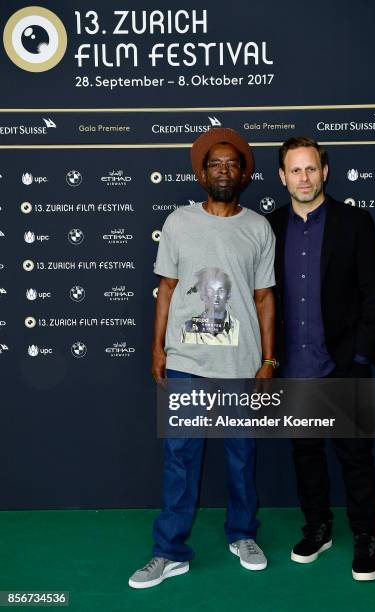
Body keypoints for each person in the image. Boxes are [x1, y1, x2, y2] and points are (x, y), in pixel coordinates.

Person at [129, 127, 277, 589]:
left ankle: (242, 535)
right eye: (216, 164)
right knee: (180, 456)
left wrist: (269, 360)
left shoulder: (258, 227)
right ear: (202, 173)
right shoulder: (178, 222)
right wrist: (157, 347)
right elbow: (167, 289)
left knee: (240, 455)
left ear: (244, 174)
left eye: (233, 164)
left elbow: (264, 297)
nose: (224, 171)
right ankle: (170, 550)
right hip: (187, 363)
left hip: (239, 365)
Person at [267, 136, 375, 581]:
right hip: (293, 366)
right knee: (306, 455)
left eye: (311, 168)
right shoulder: (270, 226)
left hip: (342, 364)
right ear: (282, 177)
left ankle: (364, 534)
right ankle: (318, 526)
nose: (304, 177)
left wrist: (358, 358)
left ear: (325, 172)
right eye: (295, 170)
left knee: (356, 456)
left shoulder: (355, 222)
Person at [181, 267, 240, 345]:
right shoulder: (188, 327)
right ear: (202, 294)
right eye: (210, 290)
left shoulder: (237, 327)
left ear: (228, 294)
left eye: (221, 290)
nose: (216, 295)